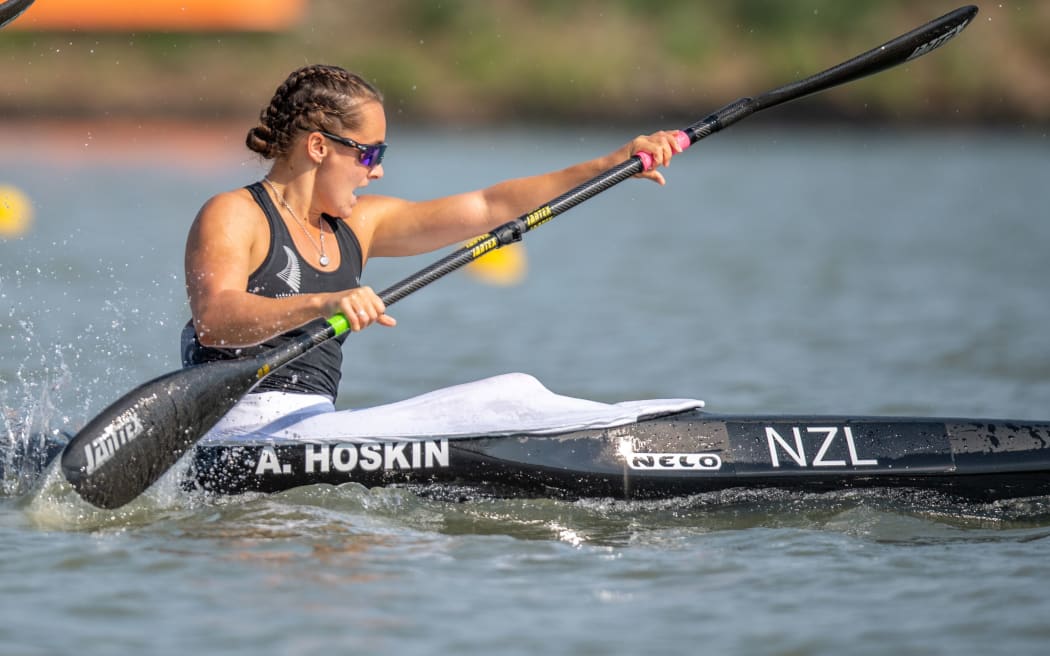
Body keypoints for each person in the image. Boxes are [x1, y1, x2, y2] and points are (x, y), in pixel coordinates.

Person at [181, 63, 682, 436]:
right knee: (503, 397)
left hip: (313, 426)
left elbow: (489, 206)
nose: (377, 171)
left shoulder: (360, 225)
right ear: (318, 147)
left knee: (511, 391)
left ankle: (628, 429)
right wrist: (325, 302)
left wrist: (611, 164)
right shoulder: (236, 213)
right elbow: (215, 320)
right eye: (369, 154)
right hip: (239, 430)